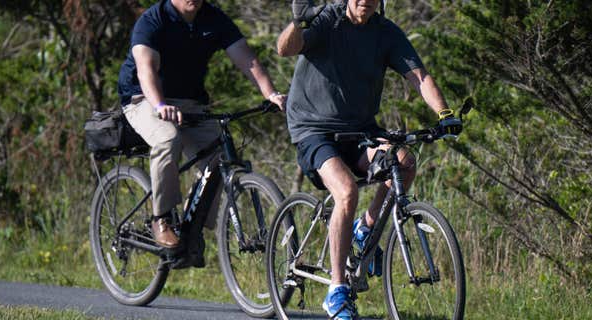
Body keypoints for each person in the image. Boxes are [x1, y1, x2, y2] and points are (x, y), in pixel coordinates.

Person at [277, 0, 461, 318]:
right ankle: (337, 291)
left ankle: (367, 226)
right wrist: (298, 23)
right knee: (346, 190)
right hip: (313, 129)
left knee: (403, 161)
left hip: (360, 129)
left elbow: (418, 76)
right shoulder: (327, 20)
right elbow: (285, 49)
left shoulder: (385, 32)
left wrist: (444, 114)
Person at [117, 0, 286, 265]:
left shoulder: (213, 18)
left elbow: (247, 59)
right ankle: (160, 219)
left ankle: (192, 229)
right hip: (144, 99)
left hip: (190, 103)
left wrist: (271, 94)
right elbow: (145, 70)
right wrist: (160, 105)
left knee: (220, 155)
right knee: (167, 139)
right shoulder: (153, 21)